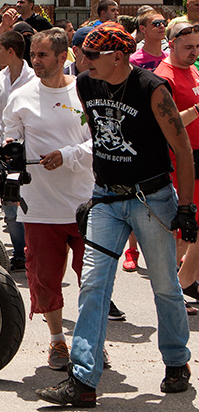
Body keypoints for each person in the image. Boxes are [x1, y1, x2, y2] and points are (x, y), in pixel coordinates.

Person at [37, 22, 196, 406]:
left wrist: (187, 207)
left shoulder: (151, 89)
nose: (83, 60)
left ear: (119, 57)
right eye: (83, 53)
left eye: (92, 55)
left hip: (152, 197)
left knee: (165, 287)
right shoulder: (86, 84)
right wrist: (96, 188)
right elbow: (99, 138)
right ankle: (83, 380)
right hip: (106, 199)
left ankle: (176, 361)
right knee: (93, 285)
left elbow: (183, 149)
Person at [1, 28, 94, 372]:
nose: (35, 62)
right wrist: (9, 148)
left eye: (42, 55)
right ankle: (57, 341)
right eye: (33, 55)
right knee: (45, 280)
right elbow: (9, 134)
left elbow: (100, 143)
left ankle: (90, 339)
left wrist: (67, 155)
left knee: (94, 280)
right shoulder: (21, 96)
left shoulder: (85, 92)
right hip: (39, 206)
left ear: (62, 56)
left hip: (86, 203)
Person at [0, 30, 34, 269]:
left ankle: (34, 252)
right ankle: (20, 255)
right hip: (5, 152)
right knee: (9, 207)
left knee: (30, 205)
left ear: (10, 51)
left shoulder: (33, 79)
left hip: (29, 152)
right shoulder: (1, 77)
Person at [153, 21, 199, 307]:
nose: (194, 52)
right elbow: (164, 125)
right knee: (182, 230)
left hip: (197, 156)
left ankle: (184, 280)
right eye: (188, 47)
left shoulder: (193, 70)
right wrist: (196, 110)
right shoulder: (164, 76)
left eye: (197, 46)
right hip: (181, 159)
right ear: (171, 44)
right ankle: (174, 286)